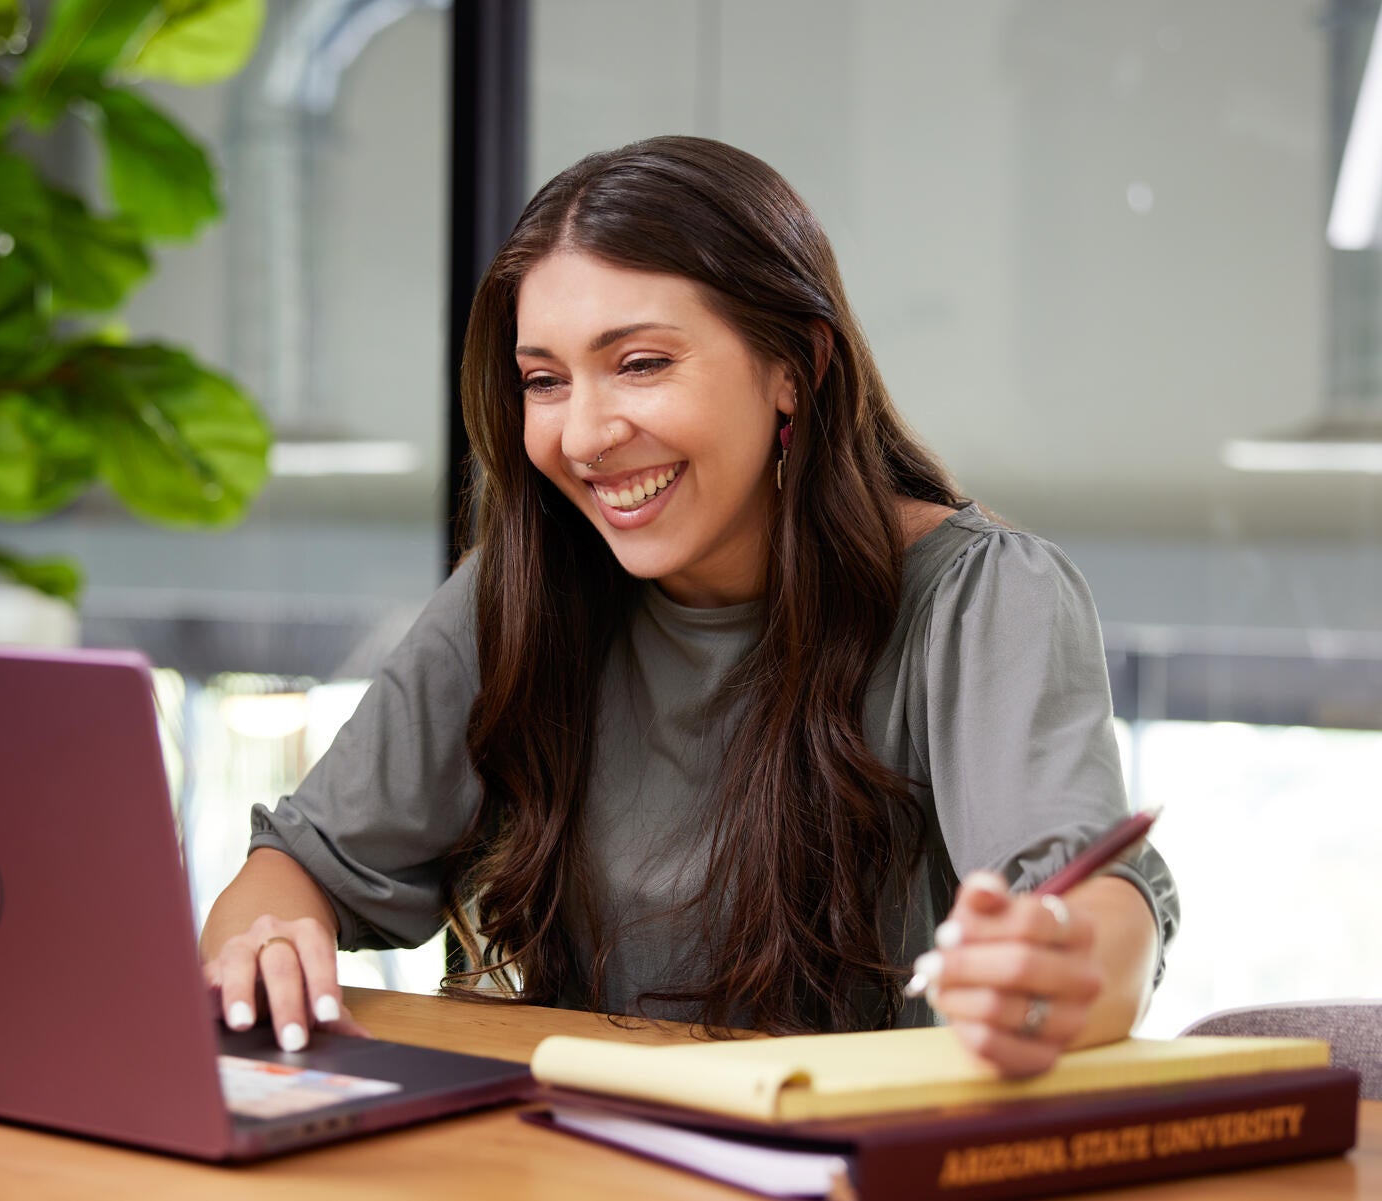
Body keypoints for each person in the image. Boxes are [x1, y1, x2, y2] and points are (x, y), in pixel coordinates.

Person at [201, 136, 1179, 1079]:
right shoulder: (520, 590)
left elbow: (1094, 919)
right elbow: (295, 869)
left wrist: (1059, 968)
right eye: (544, 380)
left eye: (640, 364)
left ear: (793, 364)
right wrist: (272, 932)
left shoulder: (981, 597)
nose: (585, 433)